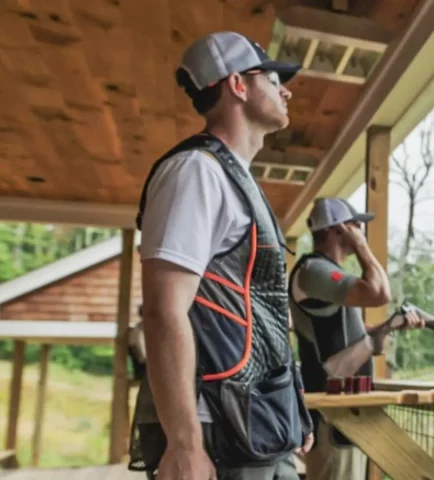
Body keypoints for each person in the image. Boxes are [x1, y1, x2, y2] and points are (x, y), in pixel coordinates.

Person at [130, 31, 315, 479]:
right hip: (214, 431)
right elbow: (162, 311)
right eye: (272, 79)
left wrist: (291, 407)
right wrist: (184, 443)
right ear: (237, 84)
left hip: (254, 423)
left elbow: (256, 309)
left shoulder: (232, 177)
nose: (285, 89)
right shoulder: (196, 172)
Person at [289, 197, 426, 480]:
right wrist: (363, 246)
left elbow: (346, 340)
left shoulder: (326, 274)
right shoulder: (315, 271)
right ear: (338, 230)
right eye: (355, 226)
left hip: (345, 415)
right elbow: (379, 293)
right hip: (332, 417)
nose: (360, 231)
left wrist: (386, 328)